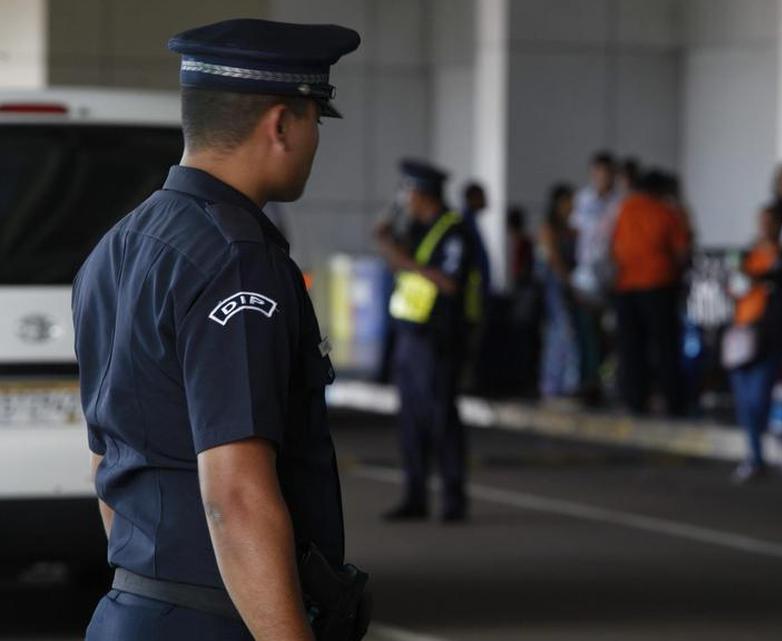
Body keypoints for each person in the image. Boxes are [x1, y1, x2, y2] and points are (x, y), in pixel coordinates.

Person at [74, 19, 363, 641]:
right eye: (315, 119)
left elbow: (107, 458)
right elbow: (235, 495)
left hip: (132, 608)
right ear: (281, 124)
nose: (315, 139)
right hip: (219, 619)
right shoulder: (235, 260)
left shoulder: (118, 247)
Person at [376, 159, 479, 523]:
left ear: (422, 194)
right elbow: (401, 266)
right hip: (410, 335)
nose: (404, 199)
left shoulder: (453, 231)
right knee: (411, 422)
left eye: (408, 192)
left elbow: (450, 283)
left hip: (438, 339)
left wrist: (403, 259)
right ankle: (415, 497)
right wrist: (389, 242)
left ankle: (453, 499)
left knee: (441, 418)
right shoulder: (419, 228)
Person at [610, 169, 691, 416]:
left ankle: (634, 400)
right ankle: (672, 400)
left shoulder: (625, 210)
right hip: (659, 285)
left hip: (627, 286)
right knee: (665, 346)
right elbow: (682, 251)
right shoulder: (668, 212)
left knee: (631, 347)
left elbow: (615, 247)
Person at [726, 202, 782, 482]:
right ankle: (755, 457)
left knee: (759, 398)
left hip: (770, 337)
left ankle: (778, 438)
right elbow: (734, 287)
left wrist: (757, 277)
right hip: (742, 334)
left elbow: (781, 282)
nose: (764, 227)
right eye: (761, 221)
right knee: (744, 402)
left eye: (770, 222)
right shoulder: (747, 255)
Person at [569, 151, 622, 402]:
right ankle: (588, 382)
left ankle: (608, 381)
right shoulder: (583, 200)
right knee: (586, 334)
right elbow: (575, 234)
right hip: (585, 279)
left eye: (607, 173)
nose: (602, 178)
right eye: (598, 173)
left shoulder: (620, 203)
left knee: (610, 335)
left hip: (613, 279)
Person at [538, 184, 580, 398]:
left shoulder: (569, 229)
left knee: (564, 333)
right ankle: (554, 385)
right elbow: (553, 259)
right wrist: (569, 281)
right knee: (560, 332)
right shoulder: (549, 230)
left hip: (563, 285)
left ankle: (564, 383)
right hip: (554, 287)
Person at [460, 181, 492, 301]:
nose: (486, 200)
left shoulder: (471, 222)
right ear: (473, 198)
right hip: (472, 291)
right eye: (482, 196)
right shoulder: (465, 224)